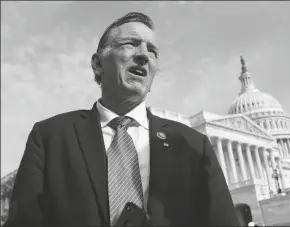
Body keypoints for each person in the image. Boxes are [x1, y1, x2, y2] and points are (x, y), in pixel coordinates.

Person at [4, 12, 240, 227]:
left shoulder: (193, 146)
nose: (143, 56)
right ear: (97, 64)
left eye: (152, 51)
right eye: (130, 44)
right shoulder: (50, 137)